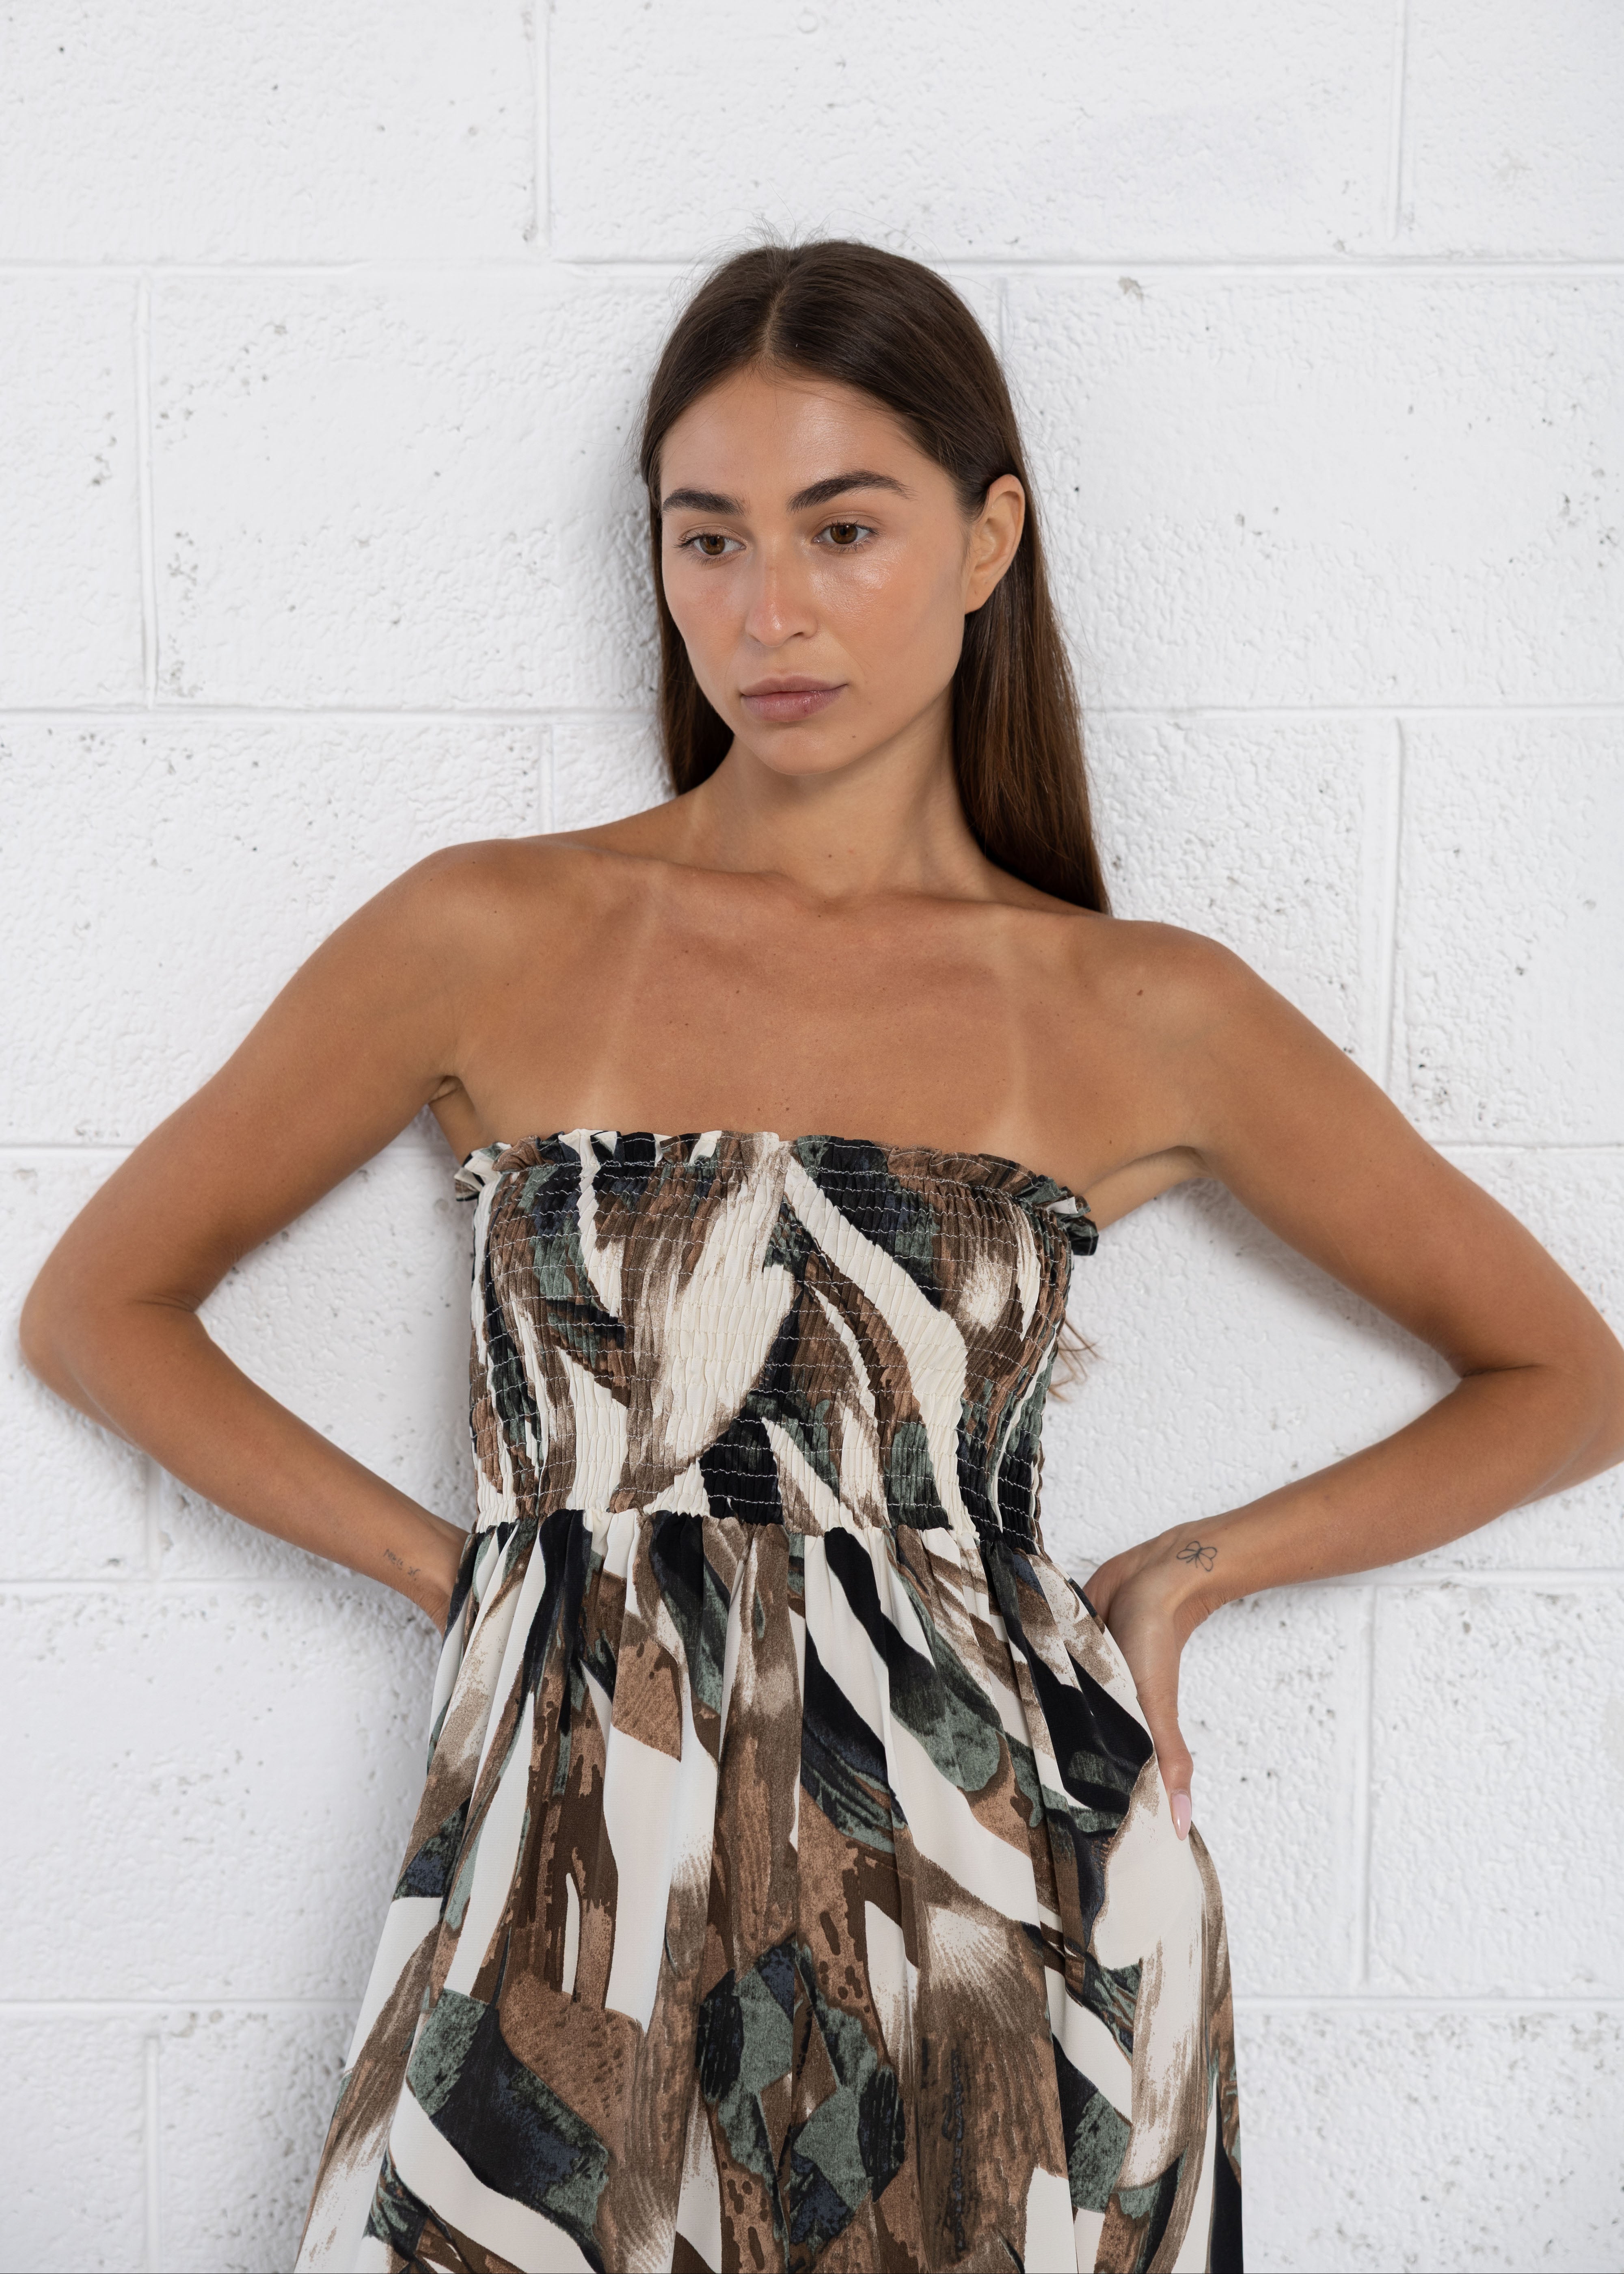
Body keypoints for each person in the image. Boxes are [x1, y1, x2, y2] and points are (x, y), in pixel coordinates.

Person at [20, 238, 1624, 2274]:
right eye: (708, 539)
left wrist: (1188, 1575)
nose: (765, 612)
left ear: (987, 541)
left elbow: (1565, 1376)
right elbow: (100, 1309)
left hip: (1006, 1933)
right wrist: (490, 1584)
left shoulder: (1141, 1007)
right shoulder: (485, 933)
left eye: (842, 531)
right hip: (567, 1907)